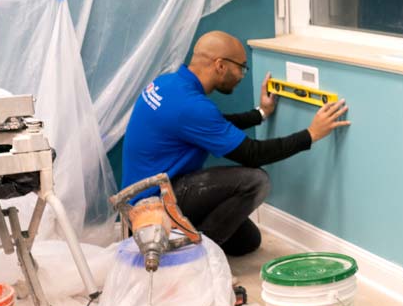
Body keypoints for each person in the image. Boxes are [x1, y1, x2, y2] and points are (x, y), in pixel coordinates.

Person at [120, 31, 349, 256]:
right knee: (256, 181)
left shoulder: (169, 84)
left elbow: (214, 124)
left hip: (143, 195)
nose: (242, 75)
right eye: (241, 67)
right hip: (153, 207)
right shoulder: (192, 107)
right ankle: (196, 258)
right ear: (220, 65)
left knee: (248, 241)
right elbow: (253, 154)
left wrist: (260, 113)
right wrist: (310, 134)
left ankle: (183, 236)